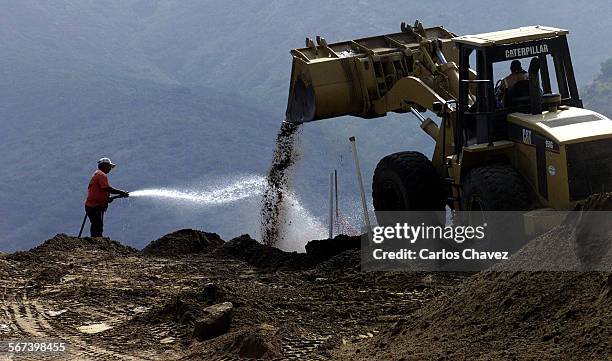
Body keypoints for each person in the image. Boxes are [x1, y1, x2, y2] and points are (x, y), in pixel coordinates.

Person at [84, 158, 129, 237]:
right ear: (104, 166)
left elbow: (101, 191)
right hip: (94, 206)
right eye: (109, 166)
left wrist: (109, 198)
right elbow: (106, 188)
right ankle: (96, 242)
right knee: (97, 225)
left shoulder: (97, 174)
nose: (110, 169)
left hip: (92, 205)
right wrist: (121, 192)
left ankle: (95, 241)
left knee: (96, 225)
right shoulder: (101, 175)